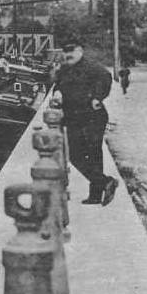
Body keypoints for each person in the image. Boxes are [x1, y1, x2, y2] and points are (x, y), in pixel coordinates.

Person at [54, 41, 118, 206]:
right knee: (75, 155)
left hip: (92, 116)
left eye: (72, 51)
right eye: (65, 51)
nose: (68, 54)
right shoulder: (64, 69)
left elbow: (106, 78)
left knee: (93, 153)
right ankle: (105, 182)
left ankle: (95, 195)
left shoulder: (91, 66)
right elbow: (57, 85)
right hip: (73, 117)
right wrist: (57, 93)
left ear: (80, 51)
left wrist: (97, 97)